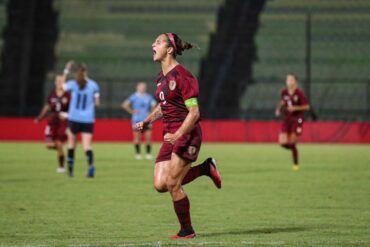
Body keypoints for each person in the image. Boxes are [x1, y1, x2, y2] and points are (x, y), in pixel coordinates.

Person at [136, 33, 222, 239]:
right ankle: (205, 168)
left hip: (187, 133)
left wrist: (178, 134)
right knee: (160, 185)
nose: (152, 44)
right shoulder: (161, 78)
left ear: (170, 49)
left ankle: (187, 230)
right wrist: (147, 120)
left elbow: (194, 113)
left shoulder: (183, 76)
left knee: (173, 183)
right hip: (170, 135)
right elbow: (163, 106)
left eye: (157, 42)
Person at [63, 63, 100, 178]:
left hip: (74, 118)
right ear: (86, 72)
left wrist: (66, 71)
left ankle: (70, 171)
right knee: (87, 146)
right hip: (88, 119)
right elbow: (97, 104)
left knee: (71, 145)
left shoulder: (73, 84)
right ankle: (90, 167)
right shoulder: (93, 85)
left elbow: (62, 87)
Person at [34, 62, 72, 173]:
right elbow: (47, 106)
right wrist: (40, 117)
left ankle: (61, 166)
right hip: (52, 121)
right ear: (55, 82)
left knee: (59, 143)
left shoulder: (68, 95)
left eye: (61, 81)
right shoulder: (52, 94)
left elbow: (74, 109)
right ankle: (63, 150)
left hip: (63, 122)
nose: (60, 82)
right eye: (58, 81)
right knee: (49, 145)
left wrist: (67, 114)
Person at [275, 73, 310, 171]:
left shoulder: (299, 93)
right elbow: (283, 102)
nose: (289, 82)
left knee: (293, 140)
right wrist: (279, 109)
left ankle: (295, 164)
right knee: (282, 142)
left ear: (295, 82)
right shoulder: (284, 92)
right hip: (287, 119)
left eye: (291, 80)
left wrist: (295, 107)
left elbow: (307, 107)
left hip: (297, 119)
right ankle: (294, 149)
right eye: (287, 80)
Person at [122, 82, 156, 160]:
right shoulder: (134, 97)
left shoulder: (149, 97)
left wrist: (150, 112)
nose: (142, 88)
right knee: (137, 138)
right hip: (137, 120)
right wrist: (132, 111)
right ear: (137, 88)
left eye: (144, 87)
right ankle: (138, 154)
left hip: (147, 120)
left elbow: (154, 105)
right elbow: (125, 105)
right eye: (141, 87)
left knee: (148, 137)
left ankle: (148, 154)